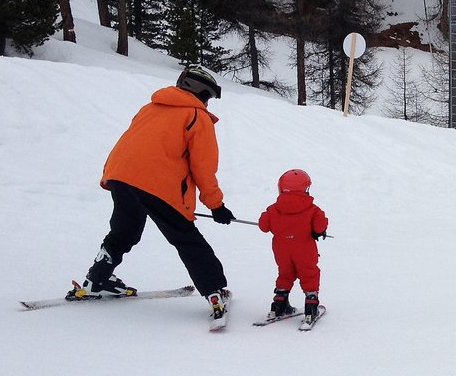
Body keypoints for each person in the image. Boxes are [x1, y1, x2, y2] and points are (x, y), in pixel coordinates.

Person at [73, 65, 235, 322]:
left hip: (121, 176)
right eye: (209, 96)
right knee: (186, 239)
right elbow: (203, 168)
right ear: (201, 92)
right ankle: (215, 292)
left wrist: (114, 176)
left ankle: (97, 279)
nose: (208, 102)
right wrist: (216, 205)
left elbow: (129, 143)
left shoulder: (150, 108)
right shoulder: (197, 117)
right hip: (159, 184)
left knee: (124, 231)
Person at [258, 169, 329, 323]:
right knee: (309, 273)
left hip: (282, 251)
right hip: (304, 249)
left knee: (285, 274)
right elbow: (319, 226)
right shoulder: (312, 209)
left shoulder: (273, 208)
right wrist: (320, 230)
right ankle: (311, 306)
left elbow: (263, 226)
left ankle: (279, 303)